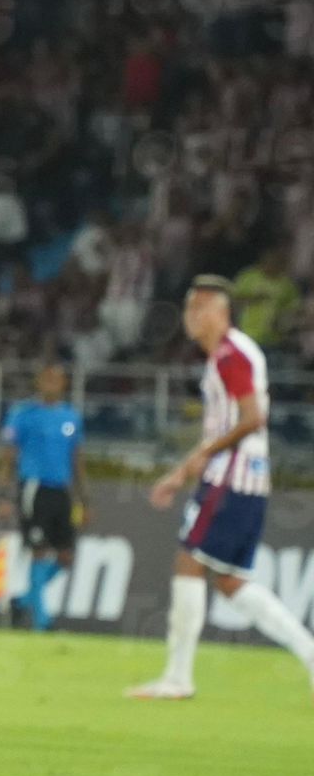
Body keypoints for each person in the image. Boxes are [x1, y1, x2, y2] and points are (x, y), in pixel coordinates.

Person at [128, 276, 314, 700]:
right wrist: (183, 471)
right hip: (247, 478)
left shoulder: (231, 356)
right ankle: (309, 652)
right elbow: (232, 423)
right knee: (230, 581)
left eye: (199, 308)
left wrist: (203, 456)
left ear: (219, 312)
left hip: (231, 478)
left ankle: (178, 677)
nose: (190, 317)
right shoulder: (231, 355)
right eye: (188, 307)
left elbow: (252, 418)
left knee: (189, 561)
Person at [0, 361, 88, 631]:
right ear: (38, 382)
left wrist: (84, 498)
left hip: (61, 490)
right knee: (39, 551)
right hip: (34, 489)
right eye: (46, 378)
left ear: (64, 384)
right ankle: (42, 623)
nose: (50, 384)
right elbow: (8, 457)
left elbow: (76, 458)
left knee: (66, 556)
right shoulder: (23, 414)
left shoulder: (70, 419)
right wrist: (3, 496)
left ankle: (22, 601)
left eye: (56, 379)